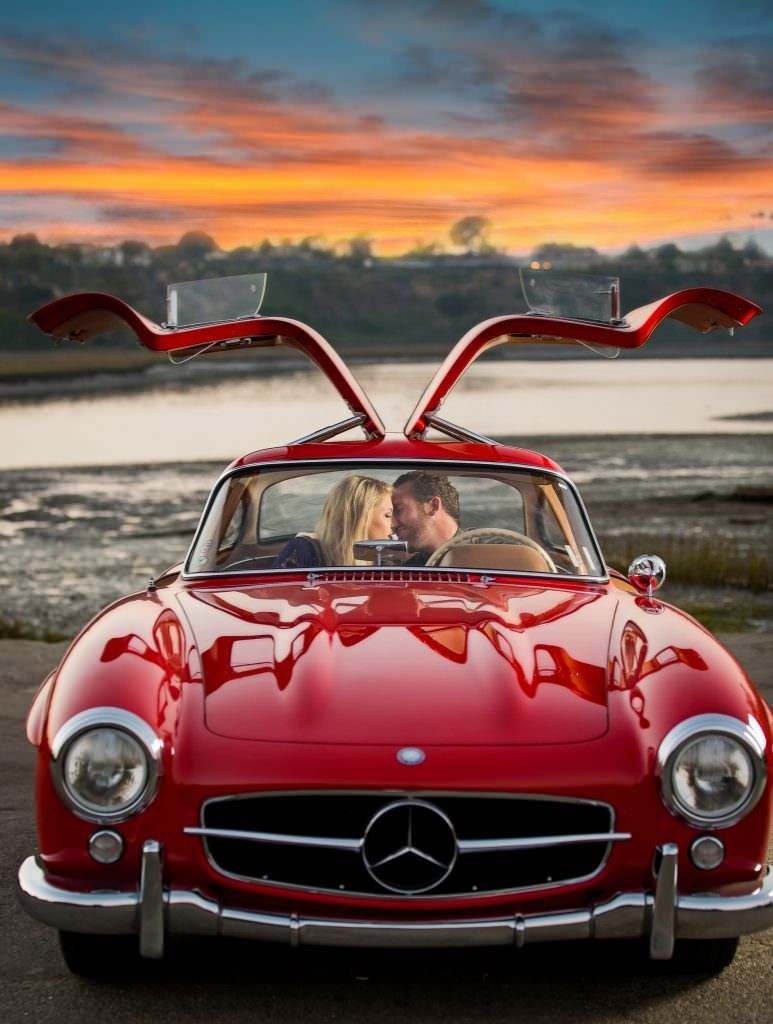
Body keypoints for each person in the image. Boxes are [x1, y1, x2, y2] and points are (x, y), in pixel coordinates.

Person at [273, 475, 393, 569]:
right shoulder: (303, 550)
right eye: (388, 515)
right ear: (360, 518)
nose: (395, 523)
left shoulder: (390, 558)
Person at [391, 470, 460, 565]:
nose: (393, 524)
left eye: (399, 510)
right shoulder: (408, 568)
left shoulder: (480, 553)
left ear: (433, 506)